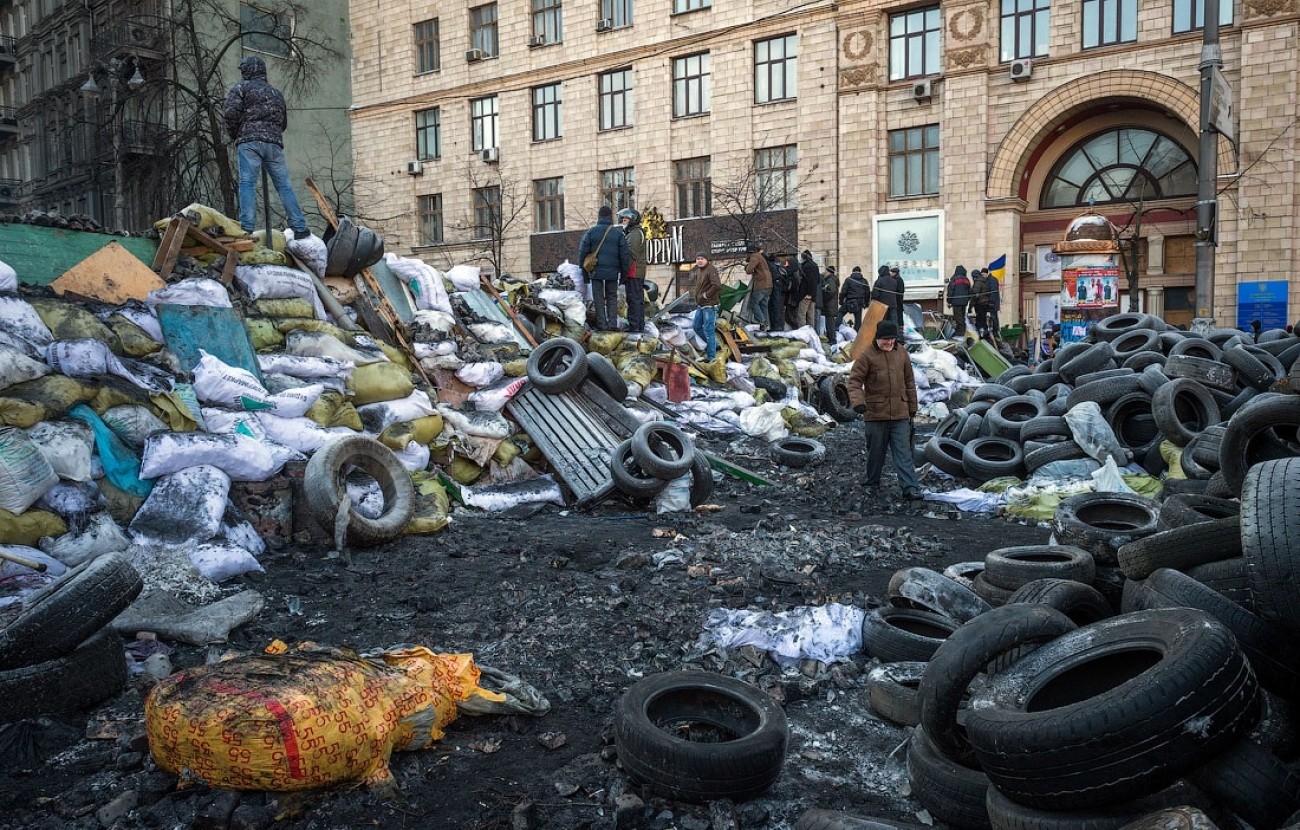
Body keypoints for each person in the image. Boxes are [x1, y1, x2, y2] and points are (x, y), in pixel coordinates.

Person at [223, 56, 311, 238]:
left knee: (247, 184)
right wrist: (271, 133)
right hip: (273, 144)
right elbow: (283, 122)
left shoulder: (241, 88)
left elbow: (230, 114)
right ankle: (299, 227)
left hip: (249, 141)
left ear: (247, 71)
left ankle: (246, 228)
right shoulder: (276, 94)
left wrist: (236, 134)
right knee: (284, 186)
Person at [847, 319, 922, 500]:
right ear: (877, 338)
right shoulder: (866, 356)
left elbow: (909, 382)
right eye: (885, 339)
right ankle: (872, 482)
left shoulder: (902, 353)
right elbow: (854, 382)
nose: (889, 343)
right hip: (875, 414)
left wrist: (912, 407)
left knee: (903, 453)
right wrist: (858, 403)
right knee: (876, 453)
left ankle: (910, 488)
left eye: (892, 339)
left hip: (900, 414)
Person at [578, 205, 631, 331]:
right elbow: (625, 256)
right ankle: (612, 324)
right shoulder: (618, 234)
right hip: (613, 272)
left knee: (598, 298)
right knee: (612, 296)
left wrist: (585, 274)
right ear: (610, 217)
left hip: (595, 271)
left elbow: (582, 253)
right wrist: (624, 275)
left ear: (599, 217)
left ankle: (601, 325)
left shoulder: (591, 232)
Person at [618, 208, 647, 333]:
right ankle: (638, 326)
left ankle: (635, 327)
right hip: (635, 272)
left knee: (634, 300)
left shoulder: (635, 234)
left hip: (633, 272)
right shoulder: (633, 233)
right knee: (637, 299)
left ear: (633, 219)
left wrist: (624, 273)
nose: (623, 221)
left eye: (626, 219)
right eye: (623, 219)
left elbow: (631, 254)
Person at [689, 252, 722, 360]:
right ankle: (715, 345)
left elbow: (717, 285)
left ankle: (711, 357)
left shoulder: (711, 269)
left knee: (709, 332)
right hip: (701, 305)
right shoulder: (700, 270)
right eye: (697, 258)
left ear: (707, 260)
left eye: (702, 258)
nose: (699, 260)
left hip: (709, 306)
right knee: (696, 326)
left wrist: (706, 295)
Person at [744, 244, 773, 333]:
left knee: (753, 303)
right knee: (763, 304)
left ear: (750, 253)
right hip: (769, 285)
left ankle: (762, 322)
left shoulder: (754, 257)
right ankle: (767, 325)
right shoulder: (760, 257)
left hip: (761, 284)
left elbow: (749, 270)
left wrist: (746, 265)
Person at [873, 265, 906, 331]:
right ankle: (896, 336)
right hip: (893, 304)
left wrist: (873, 301)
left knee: (884, 321)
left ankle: (885, 334)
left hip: (882, 305)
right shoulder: (894, 281)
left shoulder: (879, 281)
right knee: (894, 321)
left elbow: (875, 294)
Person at [839, 265, 870, 332]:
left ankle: (835, 328)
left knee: (840, 313)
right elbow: (867, 293)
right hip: (859, 302)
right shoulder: (864, 281)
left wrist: (841, 301)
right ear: (860, 272)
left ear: (852, 272)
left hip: (849, 301)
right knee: (858, 320)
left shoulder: (848, 280)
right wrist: (866, 303)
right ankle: (856, 334)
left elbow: (843, 291)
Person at [795, 250, 820, 329]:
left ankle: (802, 334)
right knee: (810, 316)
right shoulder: (815, 265)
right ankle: (811, 333)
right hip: (813, 295)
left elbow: (810, 280)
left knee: (801, 315)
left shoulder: (807, 266)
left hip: (805, 294)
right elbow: (817, 280)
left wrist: (809, 294)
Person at [946, 265, 972, 336]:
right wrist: (967, 299)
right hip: (964, 302)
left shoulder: (954, 279)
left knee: (958, 317)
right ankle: (961, 331)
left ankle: (961, 332)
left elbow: (950, 291)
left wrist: (949, 301)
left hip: (956, 302)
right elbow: (969, 291)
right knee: (962, 316)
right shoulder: (967, 280)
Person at [765, 252, 787, 333]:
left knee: (775, 305)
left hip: (775, 285)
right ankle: (779, 325)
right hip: (779, 285)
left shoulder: (770, 266)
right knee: (777, 305)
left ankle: (776, 326)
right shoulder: (777, 266)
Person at [819, 265, 841, 343]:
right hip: (830, 305)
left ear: (828, 271)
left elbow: (830, 291)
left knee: (830, 324)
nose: (824, 272)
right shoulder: (831, 279)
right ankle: (830, 338)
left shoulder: (830, 280)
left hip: (829, 305)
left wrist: (823, 297)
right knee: (829, 324)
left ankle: (832, 339)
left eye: (825, 271)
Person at [971, 267, 991, 338]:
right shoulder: (985, 281)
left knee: (979, 320)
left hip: (979, 304)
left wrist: (970, 306)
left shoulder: (978, 282)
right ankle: (985, 334)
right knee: (983, 319)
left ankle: (981, 336)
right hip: (985, 303)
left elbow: (975, 295)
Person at [985, 268, 1002, 339]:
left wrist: (991, 302)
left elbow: (993, 292)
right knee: (993, 317)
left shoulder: (992, 280)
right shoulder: (990, 279)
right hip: (992, 303)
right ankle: (994, 331)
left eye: (983, 274)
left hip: (993, 303)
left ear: (986, 273)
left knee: (994, 317)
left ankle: (995, 332)